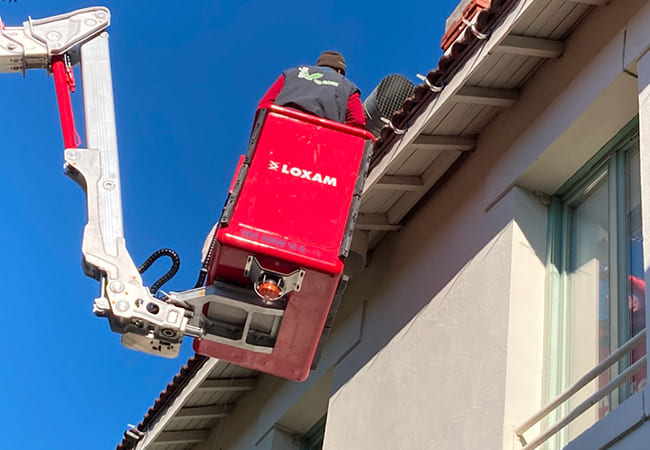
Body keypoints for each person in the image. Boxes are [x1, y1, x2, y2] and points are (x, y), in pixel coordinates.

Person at [258, 51, 366, 129]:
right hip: (320, 141)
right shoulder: (348, 86)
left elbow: (265, 104)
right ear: (339, 71)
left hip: (279, 129)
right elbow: (357, 121)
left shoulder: (291, 73)